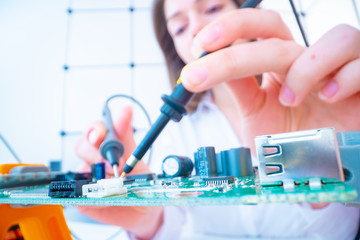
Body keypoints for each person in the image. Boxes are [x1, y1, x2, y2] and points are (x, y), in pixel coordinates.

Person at [75, 0, 360, 239]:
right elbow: (172, 228)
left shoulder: (325, 100)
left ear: (247, 12)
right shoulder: (176, 135)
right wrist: (146, 218)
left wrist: (336, 162)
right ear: (174, 47)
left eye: (212, 8)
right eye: (180, 27)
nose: (198, 28)